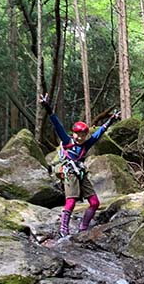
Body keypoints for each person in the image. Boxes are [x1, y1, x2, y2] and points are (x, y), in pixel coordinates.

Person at [39, 94, 119, 238]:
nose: (80, 137)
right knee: (71, 201)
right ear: (73, 133)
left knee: (94, 203)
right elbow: (57, 125)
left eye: (83, 135)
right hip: (70, 173)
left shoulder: (86, 144)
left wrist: (111, 120)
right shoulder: (67, 141)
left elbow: (99, 133)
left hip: (80, 173)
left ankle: (84, 227)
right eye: (78, 134)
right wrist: (47, 107)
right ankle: (64, 229)